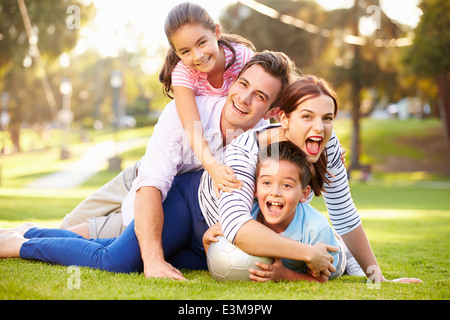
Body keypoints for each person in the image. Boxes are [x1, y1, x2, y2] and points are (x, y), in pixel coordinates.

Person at [0, 52, 338, 279]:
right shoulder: (248, 141)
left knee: (116, 251)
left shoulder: (308, 144)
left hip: (208, 233)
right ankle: (18, 244)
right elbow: (189, 66)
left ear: (273, 111)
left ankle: (29, 231)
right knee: (116, 261)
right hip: (183, 204)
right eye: (244, 85)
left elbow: (340, 217)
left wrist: (363, 269)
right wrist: (153, 259)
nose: (315, 125)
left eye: (261, 96)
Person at [203, 141, 347, 283]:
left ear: (304, 194)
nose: (275, 192)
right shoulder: (246, 217)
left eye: (286, 185)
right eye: (266, 183)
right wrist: (208, 241)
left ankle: (344, 247)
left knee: (337, 248)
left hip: (333, 258)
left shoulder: (315, 229)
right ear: (254, 189)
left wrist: (284, 275)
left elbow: (320, 281)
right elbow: (218, 259)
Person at [159, 2, 256, 196]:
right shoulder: (183, 73)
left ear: (217, 32)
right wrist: (213, 167)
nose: (198, 56)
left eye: (202, 42)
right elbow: (191, 126)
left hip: (234, 147)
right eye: (185, 51)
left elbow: (272, 98)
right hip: (185, 159)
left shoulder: (244, 58)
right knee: (133, 192)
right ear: (177, 53)